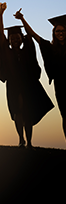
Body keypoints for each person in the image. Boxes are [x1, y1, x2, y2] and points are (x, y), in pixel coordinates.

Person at [0, 3, 54, 148]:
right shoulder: (6, 52)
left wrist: (22, 19)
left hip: (28, 85)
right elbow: (0, 33)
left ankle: (29, 141)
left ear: (21, 38)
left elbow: (31, 35)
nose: (15, 40)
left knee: (27, 113)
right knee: (17, 112)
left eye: (17, 38)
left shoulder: (27, 50)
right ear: (9, 40)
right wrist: (1, 14)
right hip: (13, 86)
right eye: (12, 39)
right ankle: (21, 139)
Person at [14, 9, 66, 140]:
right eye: (57, 31)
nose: (60, 33)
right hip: (61, 87)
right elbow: (32, 34)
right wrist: (22, 19)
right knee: (65, 116)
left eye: (63, 30)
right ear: (53, 33)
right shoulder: (50, 47)